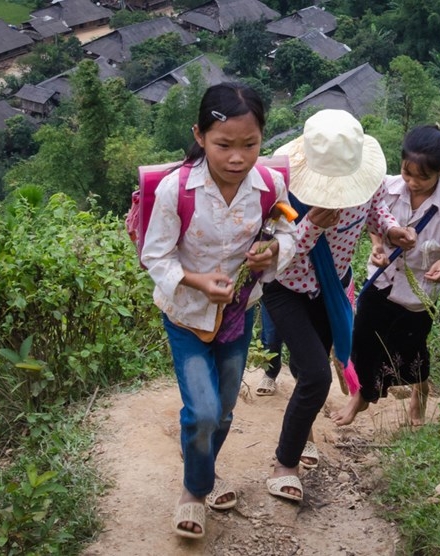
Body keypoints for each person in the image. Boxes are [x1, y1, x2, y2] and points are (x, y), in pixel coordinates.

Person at [141, 82, 295, 538]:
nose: (237, 158)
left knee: (225, 409)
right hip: (186, 315)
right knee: (204, 410)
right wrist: (197, 281)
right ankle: (195, 490)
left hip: (238, 314)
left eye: (250, 145)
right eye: (223, 144)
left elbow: (285, 236)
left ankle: (204, 473)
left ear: (262, 139)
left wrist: (272, 255)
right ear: (201, 136)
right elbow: (156, 256)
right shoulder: (177, 190)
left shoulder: (270, 185)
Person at [261, 109, 417, 502]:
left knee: (304, 367)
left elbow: (376, 210)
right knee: (316, 375)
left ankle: (303, 434)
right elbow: (278, 253)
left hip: (333, 290)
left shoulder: (370, 182)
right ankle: (285, 464)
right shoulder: (282, 190)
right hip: (288, 289)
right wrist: (312, 223)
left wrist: (391, 229)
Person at [331, 124, 440, 428]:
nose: (412, 183)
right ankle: (361, 396)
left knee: (412, 351)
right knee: (365, 339)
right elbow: (374, 222)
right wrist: (377, 247)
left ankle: (419, 394)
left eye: (423, 178)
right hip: (381, 280)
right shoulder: (387, 187)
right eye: (407, 173)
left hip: (417, 294)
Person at [256, 303, 283, 396]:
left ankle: (298, 374)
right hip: (273, 291)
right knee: (270, 335)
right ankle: (270, 374)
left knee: (300, 336)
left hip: (303, 293)